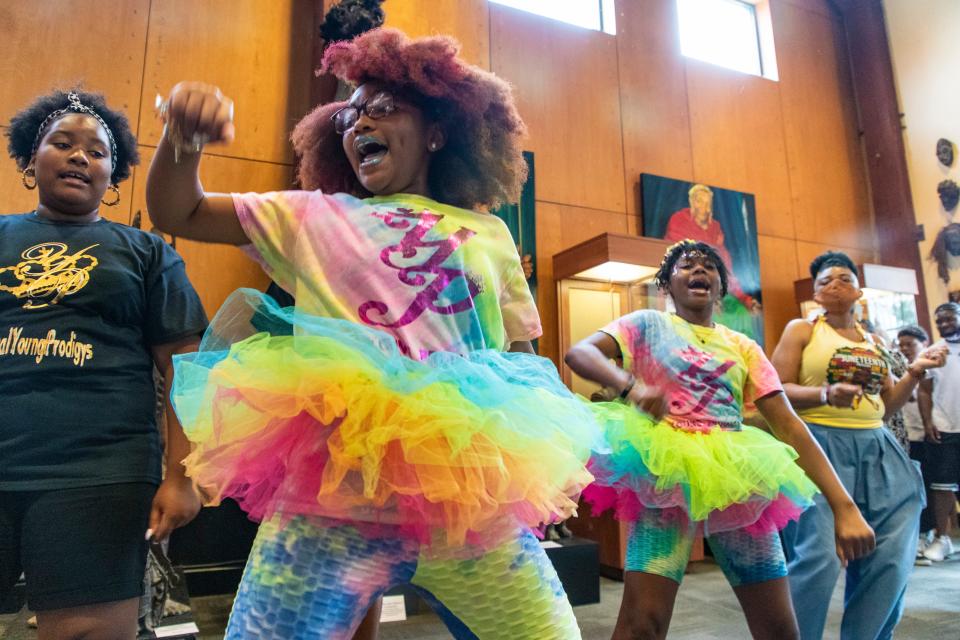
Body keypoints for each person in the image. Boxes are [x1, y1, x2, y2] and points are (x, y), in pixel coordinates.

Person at [146, 28, 598, 640]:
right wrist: (183, 139)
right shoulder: (314, 215)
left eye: (382, 108)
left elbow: (518, 355)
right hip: (334, 496)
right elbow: (183, 211)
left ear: (439, 132)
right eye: (350, 116)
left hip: (463, 503)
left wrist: (523, 478)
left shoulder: (489, 233)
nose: (360, 122)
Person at [564, 240, 875, 640]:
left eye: (709, 266)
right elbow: (580, 353)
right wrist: (630, 386)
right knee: (644, 622)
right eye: (686, 265)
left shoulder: (743, 347)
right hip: (666, 473)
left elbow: (790, 426)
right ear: (667, 285)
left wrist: (844, 508)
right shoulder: (645, 324)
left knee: (779, 629)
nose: (699, 269)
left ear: (720, 288)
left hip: (737, 479)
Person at [0, 89, 207, 639]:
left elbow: (184, 363)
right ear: (29, 161)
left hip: (101, 473)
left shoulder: (147, 252)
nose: (78, 157)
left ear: (114, 176)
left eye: (97, 152)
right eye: (61, 144)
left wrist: (181, 476)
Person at [771, 250, 947, 640]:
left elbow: (885, 407)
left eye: (844, 278)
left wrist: (916, 371)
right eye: (825, 280)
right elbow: (776, 390)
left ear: (859, 291)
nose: (835, 284)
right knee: (817, 558)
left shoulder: (876, 340)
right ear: (815, 294)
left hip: (879, 449)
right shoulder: (802, 330)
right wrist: (824, 392)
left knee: (889, 559)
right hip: (818, 447)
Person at [917, 302, 960, 562]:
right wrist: (927, 421)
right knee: (942, 485)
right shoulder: (933, 351)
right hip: (945, 425)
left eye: (949, 318)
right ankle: (943, 538)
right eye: (939, 321)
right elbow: (923, 389)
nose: (944, 324)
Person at [897, 324, 936, 563]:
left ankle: (930, 533)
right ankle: (919, 535)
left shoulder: (932, 366)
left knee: (932, 485)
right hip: (906, 437)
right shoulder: (900, 367)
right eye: (901, 344)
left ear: (924, 342)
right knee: (914, 487)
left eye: (910, 344)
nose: (904, 349)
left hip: (928, 434)